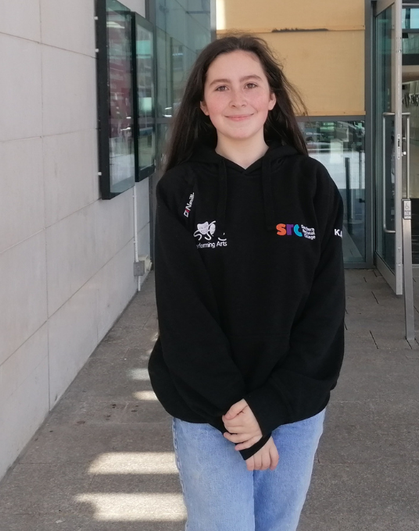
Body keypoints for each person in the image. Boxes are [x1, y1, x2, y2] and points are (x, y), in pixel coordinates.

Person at [147, 34, 346, 530]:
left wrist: (273, 406)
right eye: (221, 87)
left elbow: (325, 311)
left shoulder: (312, 183)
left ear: (272, 97)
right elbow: (183, 316)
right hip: (208, 411)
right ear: (203, 104)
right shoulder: (181, 191)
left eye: (250, 84)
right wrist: (237, 417)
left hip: (294, 409)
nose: (238, 98)